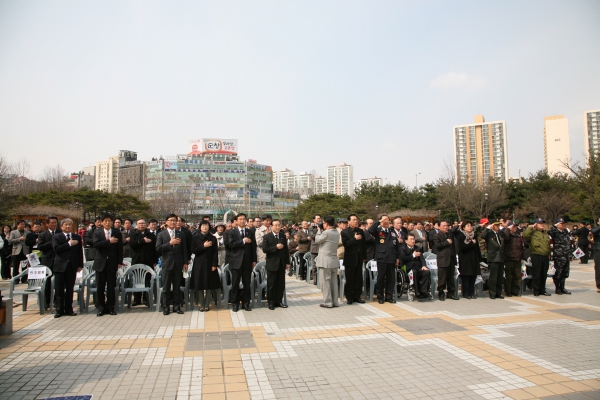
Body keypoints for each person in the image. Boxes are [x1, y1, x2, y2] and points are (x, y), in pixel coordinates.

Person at [156, 214, 189, 315]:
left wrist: (185, 262)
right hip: (167, 263)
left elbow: (184, 249)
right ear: (166, 222)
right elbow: (158, 248)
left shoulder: (181, 234)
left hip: (178, 263)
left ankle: (176, 306)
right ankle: (166, 306)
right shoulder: (161, 234)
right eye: (171, 220)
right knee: (166, 287)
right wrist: (170, 243)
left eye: (175, 220)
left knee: (177, 286)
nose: (173, 222)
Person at [224, 213, 257, 312]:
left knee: (247, 283)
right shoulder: (231, 232)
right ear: (237, 221)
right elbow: (230, 244)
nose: (242, 221)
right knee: (235, 284)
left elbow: (253, 246)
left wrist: (254, 260)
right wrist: (242, 241)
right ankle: (235, 303)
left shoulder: (250, 231)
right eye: (240, 219)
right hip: (235, 261)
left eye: (244, 219)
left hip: (247, 261)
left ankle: (246, 303)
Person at [93, 213, 123, 316]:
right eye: (105, 221)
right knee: (100, 287)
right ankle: (100, 308)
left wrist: (119, 262)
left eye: (109, 221)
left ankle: (110, 307)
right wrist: (108, 241)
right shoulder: (97, 232)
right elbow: (96, 244)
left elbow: (120, 248)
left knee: (111, 286)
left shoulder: (116, 232)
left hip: (112, 263)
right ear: (101, 222)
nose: (107, 223)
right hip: (100, 263)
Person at [52, 218, 83, 318]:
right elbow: (57, 249)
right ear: (61, 227)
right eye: (66, 224)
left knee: (70, 288)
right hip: (60, 266)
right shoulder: (57, 237)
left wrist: (79, 265)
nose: (68, 226)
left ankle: (69, 309)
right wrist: (69, 244)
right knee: (59, 289)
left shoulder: (77, 237)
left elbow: (79, 252)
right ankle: (59, 310)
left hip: (72, 266)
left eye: (70, 224)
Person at [368, 215, 400, 303]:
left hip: (391, 258)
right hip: (381, 258)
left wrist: (397, 257)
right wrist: (379, 221)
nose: (386, 221)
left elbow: (396, 246)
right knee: (381, 278)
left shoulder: (392, 231)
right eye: (384, 220)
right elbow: (370, 230)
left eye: (387, 220)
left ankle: (389, 296)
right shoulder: (378, 231)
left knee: (391, 279)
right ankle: (380, 296)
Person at [191, 220, 220, 312]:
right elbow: (193, 250)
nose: (204, 227)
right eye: (203, 225)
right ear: (200, 227)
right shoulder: (195, 237)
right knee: (199, 284)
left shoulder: (213, 238)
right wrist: (203, 246)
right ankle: (201, 304)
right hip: (199, 264)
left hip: (210, 264)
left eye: (206, 225)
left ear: (209, 227)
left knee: (209, 284)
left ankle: (207, 304)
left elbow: (215, 252)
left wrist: (214, 264)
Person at [262, 219, 290, 310]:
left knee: (280, 284)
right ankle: (271, 302)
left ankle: (279, 301)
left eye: (279, 225)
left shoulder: (282, 236)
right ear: (271, 226)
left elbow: (286, 250)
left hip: (281, 264)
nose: (278, 227)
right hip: (272, 263)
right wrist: (275, 247)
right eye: (276, 225)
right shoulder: (267, 237)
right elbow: (265, 249)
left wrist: (287, 262)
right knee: (271, 284)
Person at [130, 219, 158, 306]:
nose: (141, 225)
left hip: (148, 260)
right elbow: (132, 244)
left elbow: (155, 249)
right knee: (136, 280)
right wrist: (143, 241)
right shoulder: (133, 234)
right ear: (136, 225)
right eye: (139, 223)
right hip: (136, 260)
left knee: (147, 280)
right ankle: (137, 299)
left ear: (146, 225)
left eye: (142, 223)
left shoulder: (151, 235)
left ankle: (146, 299)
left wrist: (155, 260)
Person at [315, 216, 341, 308]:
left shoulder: (326, 233)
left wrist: (319, 230)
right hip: (334, 260)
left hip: (325, 261)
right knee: (334, 282)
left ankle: (328, 302)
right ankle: (335, 302)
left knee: (325, 282)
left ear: (326, 223)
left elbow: (317, 240)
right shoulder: (336, 232)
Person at [523, 218, 552, 296]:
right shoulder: (532, 233)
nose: (542, 225)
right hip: (536, 255)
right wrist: (531, 227)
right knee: (537, 273)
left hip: (545, 256)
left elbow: (547, 244)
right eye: (540, 223)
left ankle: (543, 290)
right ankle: (536, 290)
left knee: (544, 274)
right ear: (536, 224)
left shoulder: (545, 233)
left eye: (542, 223)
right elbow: (525, 235)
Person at [37, 216, 61, 308]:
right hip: (47, 260)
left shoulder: (60, 233)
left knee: (59, 282)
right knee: (47, 282)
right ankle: (46, 301)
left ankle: (57, 300)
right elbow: (40, 246)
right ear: (47, 224)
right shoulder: (42, 235)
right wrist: (53, 241)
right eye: (52, 223)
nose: (54, 224)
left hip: (59, 260)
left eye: (55, 222)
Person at [342, 214, 366, 304]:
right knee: (350, 279)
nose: (356, 221)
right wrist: (355, 239)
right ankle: (349, 297)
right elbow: (346, 244)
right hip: (350, 259)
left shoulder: (360, 231)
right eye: (354, 220)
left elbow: (364, 245)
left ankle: (357, 296)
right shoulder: (345, 232)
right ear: (348, 221)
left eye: (357, 219)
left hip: (359, 259)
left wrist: (364, 257)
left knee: (358, 279)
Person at [432, 220, 458, 301]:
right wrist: (446, 242)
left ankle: (451, 293)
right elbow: (437, 246)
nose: (445, 227)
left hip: (451, 259)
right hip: (443, 259)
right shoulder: (437, 236)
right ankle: (441, 293)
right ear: (439, 227)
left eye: (446, 225)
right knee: (442, 278)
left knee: (451, 278)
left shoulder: (449, 234)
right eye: (443, 226)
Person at [455, 221, 482, 299]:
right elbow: (462, 248)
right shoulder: (461, 236)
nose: (470, 227)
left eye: (470, 226)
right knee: (466, 277)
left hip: (474, 258)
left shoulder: (474, 236)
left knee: (473, 276)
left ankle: (472, 292)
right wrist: (471, 244)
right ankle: (465, 293)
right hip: (465, 259)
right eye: (467, 226)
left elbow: (477, 248)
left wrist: (479, 259)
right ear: (463, 228)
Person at [400, 233, 431, 299]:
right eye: (411, 239)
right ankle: (417, 292)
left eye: (413, 239)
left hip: (418, 267)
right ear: (406, 241)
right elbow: (403, 259)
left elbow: (422, 258)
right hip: (407, 267)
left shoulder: (418, 248)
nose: (413, 241)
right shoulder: (403, 249)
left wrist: (424, 265)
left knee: (426, 272)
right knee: (414, 272)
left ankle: (424, 291)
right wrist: (413, 255)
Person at [548, 218, 573, 295]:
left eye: (564, 223)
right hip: (559, 255)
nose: (563, 225)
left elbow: (569, 243)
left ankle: (562, 287)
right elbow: (549, 232)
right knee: (558, 273)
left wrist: (571, 254)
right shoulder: (555, 232)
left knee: (565, 273)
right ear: (557, 225)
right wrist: (554, 226)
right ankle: (557, 288)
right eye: (561, 224)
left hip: (566, 255)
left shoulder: (566, 232)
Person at [481, 220, 505, 299]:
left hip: (500, 257)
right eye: (496, 225)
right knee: (493, 277)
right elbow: (483, 235)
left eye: (499, 225)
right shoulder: (489, 233)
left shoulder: (499, 234)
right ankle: (492, 293)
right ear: (493, 225)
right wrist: (488, 227)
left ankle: (498, 292)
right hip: (493, 257)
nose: (498, 227)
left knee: (499, 277)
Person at [502, 221, 524, 297]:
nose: (515, 228)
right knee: (508, 277)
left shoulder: (518, 236)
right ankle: (508, 291)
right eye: (513, 226)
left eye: (515, 227)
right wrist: (508, 229)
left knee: (517, 276)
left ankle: (515, 291)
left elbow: (521, 247)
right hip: (508, 258)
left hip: (517, 258)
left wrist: (522, 257)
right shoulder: (507, 235)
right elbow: (505, 238)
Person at [308, 215, 321, 283]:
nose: (319, 220)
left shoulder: (323, 227)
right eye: (317, 218)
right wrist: (319, 231)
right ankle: (315, 280)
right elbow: (312, 236)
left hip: (322, 248)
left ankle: (321, 279)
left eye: (319, 218)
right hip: (315, 248)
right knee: (315, 265)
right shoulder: (311, 228)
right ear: (314, 220)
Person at [592, 218, 600, 293]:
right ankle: (599, 285)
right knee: (598, 269)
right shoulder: (596, 229)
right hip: (598, 251)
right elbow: (593, 232)